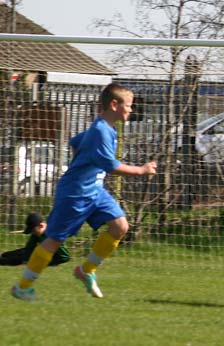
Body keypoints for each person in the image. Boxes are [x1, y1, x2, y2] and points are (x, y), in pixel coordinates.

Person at [11, 83, 157, 301]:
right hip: (75, 194)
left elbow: (75, 142)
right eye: (129, 105)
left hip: (94, 191)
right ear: (114, 104)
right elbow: (110, 165)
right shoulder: (100, 131)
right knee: (53, 241)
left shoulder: (104, 128)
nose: (131, 110)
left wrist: (86, 163)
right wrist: (141, 170)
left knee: (120, 226)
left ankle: (86, 270)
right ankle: (22, 287)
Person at [0, 212, 70, 266]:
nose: (33, 233)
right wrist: (26, 259)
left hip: (46, 258)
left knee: (16, 259)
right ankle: (2, 255)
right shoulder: (37, 233)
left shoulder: (53, 236)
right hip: (38, 254)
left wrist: (48, 263)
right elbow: (29, 247)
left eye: (33, 230)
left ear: (41, 226)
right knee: (20, 252)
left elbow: (65, 257)